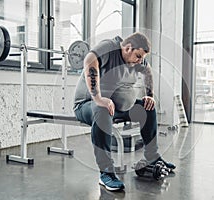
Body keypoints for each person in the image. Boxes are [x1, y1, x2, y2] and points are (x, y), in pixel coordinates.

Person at [73, 32, 176, 191]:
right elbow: (89, 60)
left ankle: (152, 157)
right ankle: (106, 173)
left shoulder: (136, 60)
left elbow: (147, 70)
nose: (140, 60)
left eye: (141, 57)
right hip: (87, 105)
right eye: (138, 55)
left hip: (115, 107)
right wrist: (98, 98)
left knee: (147, 107)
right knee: (102, 109)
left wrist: (150, 96)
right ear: (128, 48)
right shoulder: (110, 47)